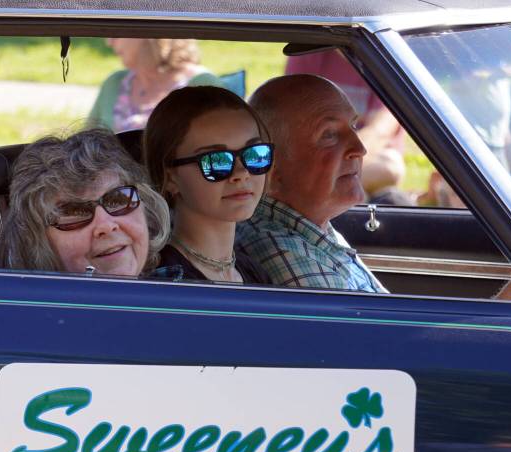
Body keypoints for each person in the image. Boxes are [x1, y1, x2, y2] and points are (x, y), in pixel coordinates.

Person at [237, 74, 387, 292]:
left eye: (353, 126)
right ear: (272, 167)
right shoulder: (282, 250)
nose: (359, 149)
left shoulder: (312, 230)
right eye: (329, 134)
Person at [143, 85, 273, 284]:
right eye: (216, 161)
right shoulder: (167, 281)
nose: (241, 173)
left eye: (255, 154)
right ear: (170, 178)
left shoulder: (254, 273)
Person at [0, 128, 170, 277]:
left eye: (118, 199)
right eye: (74, 211)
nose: (106, 225)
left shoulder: (183, 297)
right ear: (35, 243)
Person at [286, 50, 410, 205]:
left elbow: (379, 132)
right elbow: (293, 117)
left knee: (389, 169)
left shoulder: (384, 59)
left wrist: (336, 160)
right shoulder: (307, 52)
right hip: (319, 153)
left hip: (370, 156)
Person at [87, 38, 223, 133]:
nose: (109, 42)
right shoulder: (114, 83)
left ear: (147, 29)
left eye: (117, 31)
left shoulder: (202, 83)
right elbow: (85, 147)